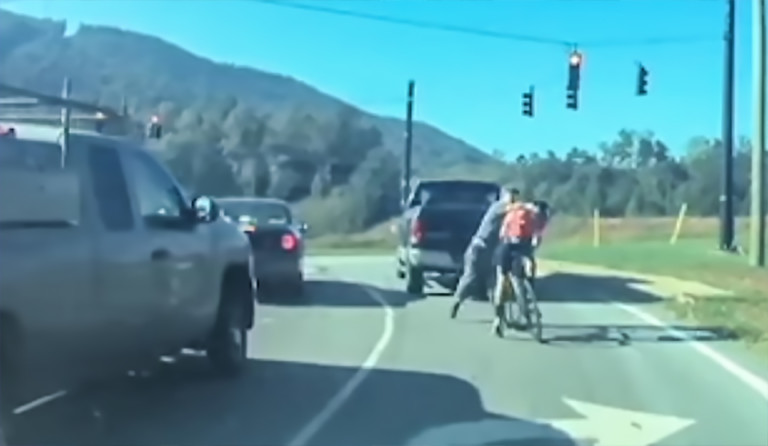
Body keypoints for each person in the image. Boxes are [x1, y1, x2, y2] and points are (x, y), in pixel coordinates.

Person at [450, 184, 518, 319]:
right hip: (478, 249)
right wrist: (528, 207)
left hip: (491, 253)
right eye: (511, 195)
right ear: (504, 195)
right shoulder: (498, 207)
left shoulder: (510, 214)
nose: (513, 199)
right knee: (470, 278)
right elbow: (512, 208)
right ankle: (456, 303)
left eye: (515, 196)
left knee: (494, 284)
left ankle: (499, 317)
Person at [490, 192, 549, 335]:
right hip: (511, 246)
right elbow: (536, 238)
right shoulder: (529, 214)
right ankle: (503, 318)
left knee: (516, 282)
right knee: (506, 283)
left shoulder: (525, 212)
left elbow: (536, 238)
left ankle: (504, 318)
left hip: (511, 245)